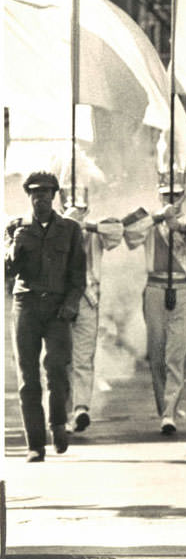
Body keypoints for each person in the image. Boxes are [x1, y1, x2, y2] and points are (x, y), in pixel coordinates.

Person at [123, 176, 186, 434]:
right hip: (155, 288)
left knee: (175, 354)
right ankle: (163, 406)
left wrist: (180, 226)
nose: (171, 199)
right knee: (157, 354)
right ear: (159, 196)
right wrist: (158, 217)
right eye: (166, 195)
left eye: (176, 194)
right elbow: (127, 232)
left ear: (183, 196)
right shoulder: (148, 220)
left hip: (183, 289)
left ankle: (169, 411)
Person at [5, 171, 87, 461]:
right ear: (28, 195)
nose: (40, 198)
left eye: (46, 192)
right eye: (35, 193)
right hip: (26, 305)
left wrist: (71, 304)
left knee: (56, 367)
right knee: (28, 377)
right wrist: (14, 249)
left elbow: (79, 275)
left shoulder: (70, 229)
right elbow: (7, 273)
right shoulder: (16, 227)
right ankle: (35, 444)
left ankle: (58, 425)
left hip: (57, 307)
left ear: (55, 196)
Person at [62, 189, 123, 434]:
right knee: (60, 358)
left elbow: (117, 231)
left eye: (81, 204)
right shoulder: (55, 226)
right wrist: (67, 223)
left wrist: (85, 224)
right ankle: (61, 410)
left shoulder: (95, 229)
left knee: (83, 356)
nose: (77, 208)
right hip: (61, 298)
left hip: (88, 298)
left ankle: (80, 407)